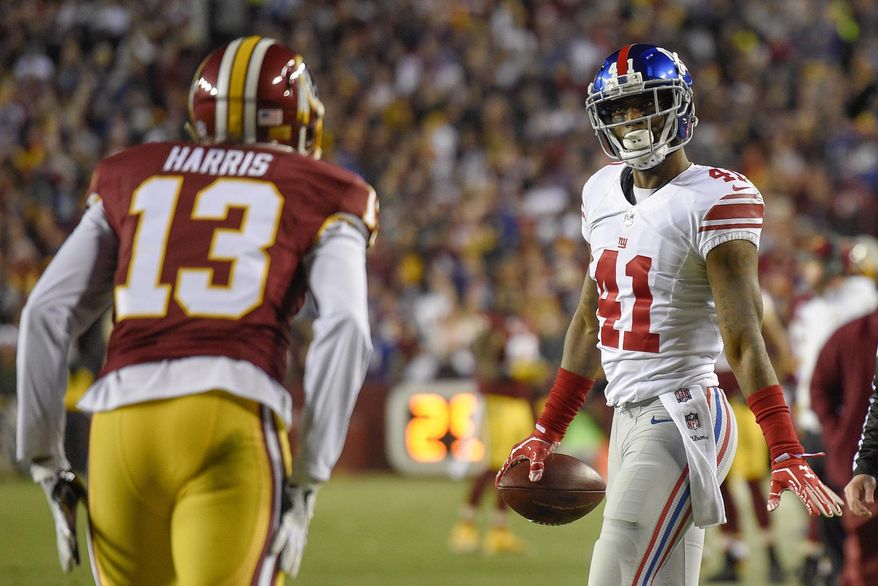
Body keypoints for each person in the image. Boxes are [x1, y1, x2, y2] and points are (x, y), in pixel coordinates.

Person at [16, 35, 377, 584]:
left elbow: (44, 312)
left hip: (118, 426)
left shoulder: (132, 171)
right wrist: (308, 477)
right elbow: (346, 325)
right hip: (229, 410)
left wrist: (47, 464)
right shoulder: (326, 189)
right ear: (298, 120)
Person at [497, 43, 843, 585]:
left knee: (613, 573)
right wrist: (548, 428)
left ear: (678, 105)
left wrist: (783, 445)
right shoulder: (601, 190)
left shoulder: (714, 197)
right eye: (618, 110)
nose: (631, 122)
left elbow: (744, 336)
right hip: (626, 413)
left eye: (645, 104)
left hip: (683, 413)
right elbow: (591, 320)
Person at [708, 292, 793, 583]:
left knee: (754, 480)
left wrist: (764, 392)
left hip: (743, 402)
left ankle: (772, 555)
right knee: (719, 481)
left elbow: (782, 350)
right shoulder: (696, 286)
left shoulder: (757, 295)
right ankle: (734, 555)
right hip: (711, 399)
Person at [448, 310, 543, 555]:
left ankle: (499, 531)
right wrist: (506, 370)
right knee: (494, 466)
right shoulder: (492, 326)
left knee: (514, 467)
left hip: (518, 401)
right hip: (498, 402)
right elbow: (487, 366)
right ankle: (465, 525)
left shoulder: (516, 324)